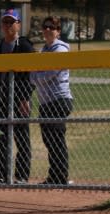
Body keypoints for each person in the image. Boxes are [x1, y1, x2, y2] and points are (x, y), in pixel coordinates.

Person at [0, 8, 35, 184]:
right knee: (0, 137)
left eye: (11, 22)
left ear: (18, 24)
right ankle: (3, 175)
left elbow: (32, 76)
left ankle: (21, 176)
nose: (7, 25)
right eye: (5, 22)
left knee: (22, 138)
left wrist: (25, 97)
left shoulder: (26, 46)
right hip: (0, 98)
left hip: (20, 98)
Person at [30, 16, 73, 186]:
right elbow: (35, 76)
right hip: (45, 102)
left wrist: (36, 75)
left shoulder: (60, 50)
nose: (48, 30)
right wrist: (36, 75)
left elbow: (48, 75)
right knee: (49, 140)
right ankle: (54, 175)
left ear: (58, 31)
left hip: (59, 100)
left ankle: (61, 176)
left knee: (56, 139)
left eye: (52, 27)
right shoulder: (44, 50)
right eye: (45, 27)